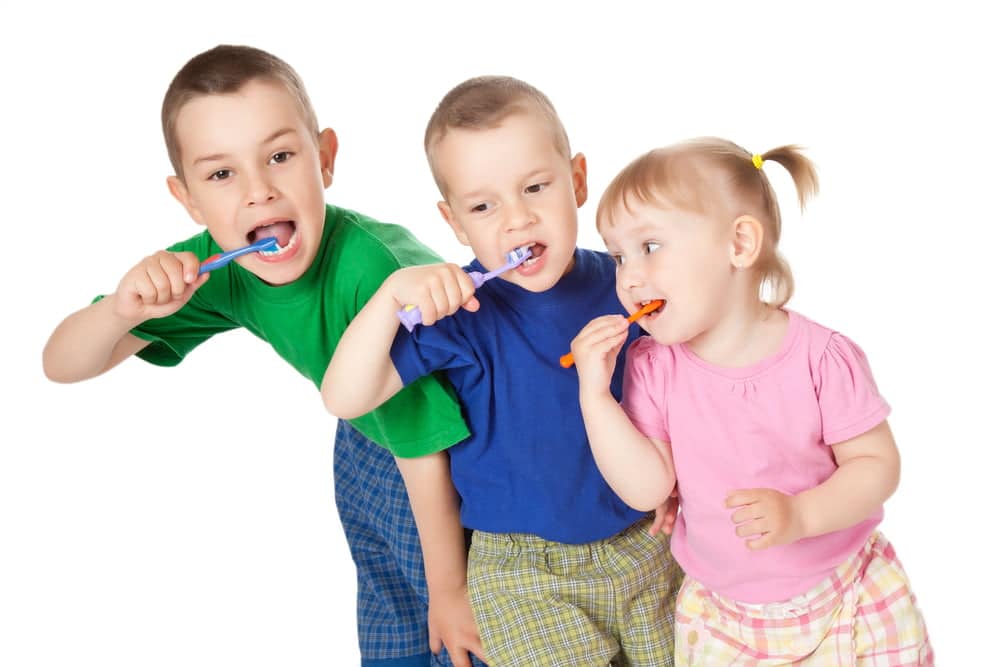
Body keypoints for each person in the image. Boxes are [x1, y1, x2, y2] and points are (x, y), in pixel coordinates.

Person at [42, 44, 484, 667]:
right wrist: (122, 309)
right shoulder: (214, 268)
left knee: (459, 632)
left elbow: (422, 442)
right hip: (366, 437)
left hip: (454, 448)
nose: (259, 193)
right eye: (221, 174)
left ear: (324, 158)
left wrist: (451, 589)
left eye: (280, 156)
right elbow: (62, 364)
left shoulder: (367, 272)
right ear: (189, 198)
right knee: (390, 609)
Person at [324, 75, 683, 667]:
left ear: (577, 182)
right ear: (456, 223)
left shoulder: (628, 286)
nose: (516, 221)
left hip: (644, 543)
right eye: (484, 206)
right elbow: (344, 396)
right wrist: (391, 296)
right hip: (520, 571)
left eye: (535, 188)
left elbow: (691, 381)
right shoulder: (461, 313)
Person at [570, 137, 934, 665]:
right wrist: (594, 395)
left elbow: (878, 467)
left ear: (739, 245)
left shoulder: (822, 358)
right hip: (724, 616)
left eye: (649, 247)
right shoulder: (653, 367)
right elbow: (649, 489)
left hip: (847, 591)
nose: (628, 278)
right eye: (618, 256)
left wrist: (801, 515)